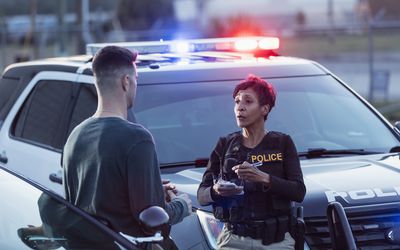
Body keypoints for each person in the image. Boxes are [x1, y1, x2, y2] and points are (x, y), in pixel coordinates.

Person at [62, 46, 191, 248]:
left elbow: (90, 202)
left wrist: (154, 189)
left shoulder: (75, 136)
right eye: (136, 79)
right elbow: (153, 224)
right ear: (126, 81)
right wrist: (182, 205)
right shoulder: (137, 138)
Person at [197, 75, 306, 249]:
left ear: (264, 109)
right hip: (233, 240)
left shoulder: (283, 143)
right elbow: (201, 196)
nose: (240, 107)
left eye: (248, 102)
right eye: (237, 101)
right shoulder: (224, 144)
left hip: (276, 242)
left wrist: (264, 178)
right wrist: (216, 190)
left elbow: (299, 192)